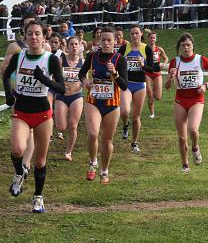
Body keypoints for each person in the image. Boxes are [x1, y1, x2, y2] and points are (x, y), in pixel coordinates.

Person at [2, 20, 66, 213]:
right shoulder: (19, 56)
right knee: (17, 149)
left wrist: (44, 79)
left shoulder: (51, 59)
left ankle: (38, 198)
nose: (34, 37)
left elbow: (61, 88)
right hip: (21, 111)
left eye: (38, 34)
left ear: (44, 37)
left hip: (43, 114)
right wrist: (8, 94)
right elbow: (5, 75)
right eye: (30, 34)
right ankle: (19, 173)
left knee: (39, 161)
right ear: (25, 36)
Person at [79, 26, 128, 183]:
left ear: (115, 41)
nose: (106, 43)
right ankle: (93, 163)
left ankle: (104, 170)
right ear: (99, 41)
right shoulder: (92, 56)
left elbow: (124, 85)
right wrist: (84, 80)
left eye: (109, 40)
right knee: (93, 134)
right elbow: (81, 73)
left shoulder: (120, 59)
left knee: (107, 141)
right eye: (103, 40)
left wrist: (115, 73)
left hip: (112, 104)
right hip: (93, 101)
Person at [165, 33, 208, 173]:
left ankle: (195, 147)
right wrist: (170, 77)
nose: (186, 48)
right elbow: (167, 86)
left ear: (192, 46)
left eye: (188, 45)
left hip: (196, 99)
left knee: (193, 129)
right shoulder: (174, 62)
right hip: (180, 99)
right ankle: (185, 165)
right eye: (183, 46)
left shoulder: (200, 60)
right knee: (182, 137)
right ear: (180, 48)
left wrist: (205, 86)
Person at [118, 24, 153, 153]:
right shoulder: (123, 49)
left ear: (141, 34)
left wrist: (143, 65)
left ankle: (134, 143)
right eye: (132, 33)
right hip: (126, 84)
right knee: (124, 111)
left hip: (140, 85)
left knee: (136, 116)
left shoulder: (146, 49)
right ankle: (125, 125)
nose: (134, 36)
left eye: (136, 33)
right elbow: (116, 63)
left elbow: (152, 69)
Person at [54, 36, 84, 161]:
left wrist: (82, 83)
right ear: (67, 46)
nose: (74, 46)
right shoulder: (61, 60)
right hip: (62, 96)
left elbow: (86, 79)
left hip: (76, 96)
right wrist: (60, 83)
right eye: (71, 44)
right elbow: (54, 78)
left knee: (73, 126)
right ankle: (61, 119)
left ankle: (68, 152)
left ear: (79, 46)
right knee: (61, 127)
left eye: (76, 44)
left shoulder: (83, 62)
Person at [144, 31, 168, 119]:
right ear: (148, 39)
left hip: (157, 72)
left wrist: (164, 64)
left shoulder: (159, 49)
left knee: (158, 97)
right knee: (150, 94)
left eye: (154, 38)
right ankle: (152, 113)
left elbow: (166, 58)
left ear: (156, 39)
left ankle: (152, 92)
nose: (152, 39)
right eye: (151, 37)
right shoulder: (144, 48)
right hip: (148, 73)